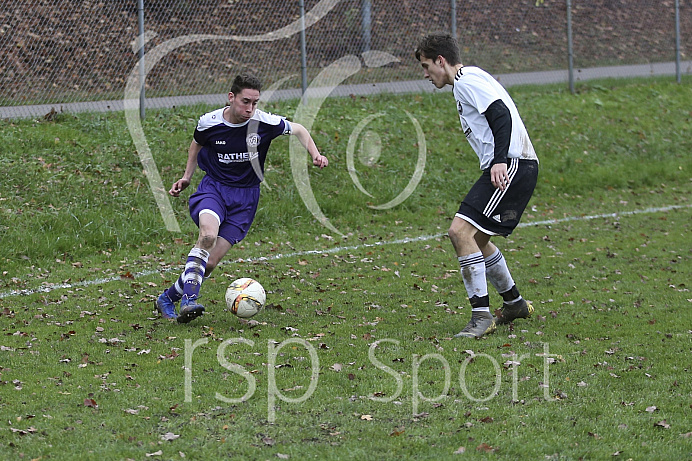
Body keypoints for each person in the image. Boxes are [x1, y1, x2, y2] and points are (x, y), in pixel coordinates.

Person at [156, 72, 328, 323]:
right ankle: (189, 301)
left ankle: (167, 298)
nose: (250, 108)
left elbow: (299, 129)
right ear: (231, 97)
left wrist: (315, 154)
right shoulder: (210, 122)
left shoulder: (263, 122)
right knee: (207, 236)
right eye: (245, 101)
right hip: (214, 188)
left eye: (255, 103)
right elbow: (196, 143)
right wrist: (187, 177)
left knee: (211, 262)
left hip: (245, 199)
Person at [414, 34, 539, 338]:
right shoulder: (467, 81)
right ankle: (515, 304)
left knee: (459, 232)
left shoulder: (467, 80)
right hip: (514, 164)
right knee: (477, 240)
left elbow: (501, 114)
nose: (426, 74)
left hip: (510, 165)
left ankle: (481, 316)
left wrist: (498, 160)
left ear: (441, 61)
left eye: (427, 66)